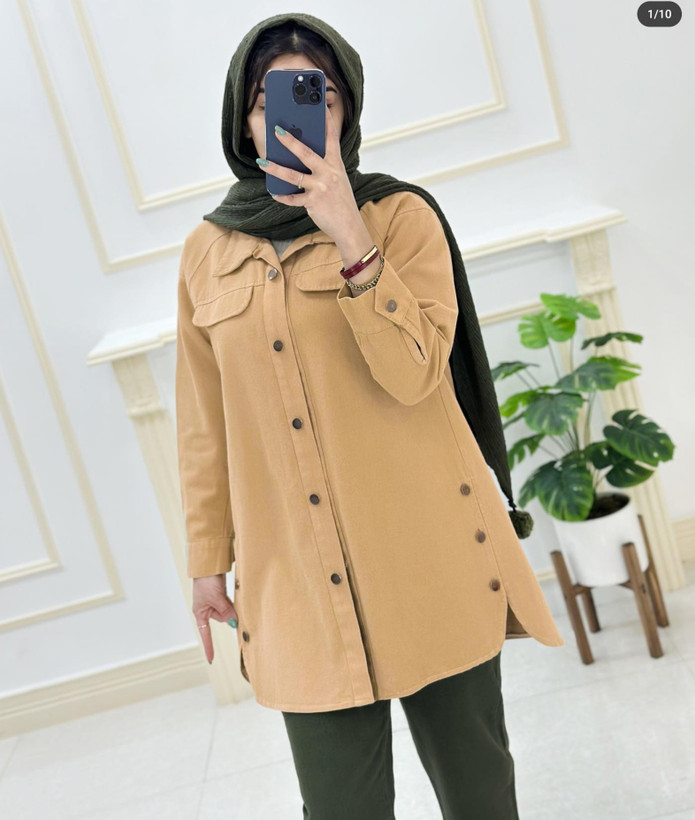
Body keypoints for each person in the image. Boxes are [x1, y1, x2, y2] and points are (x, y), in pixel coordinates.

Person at [175, 12, 564, 819]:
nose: (294, 117)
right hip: (294, 582)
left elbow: (417, 373)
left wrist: (348, 231)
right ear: (243, 122)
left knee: (478, 794)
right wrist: (208, 561)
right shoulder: (206, 253)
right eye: (269, 102)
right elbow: (204, 425)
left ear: (345, 109)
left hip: (428, 558)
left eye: (316, 96)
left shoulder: (399, 218)